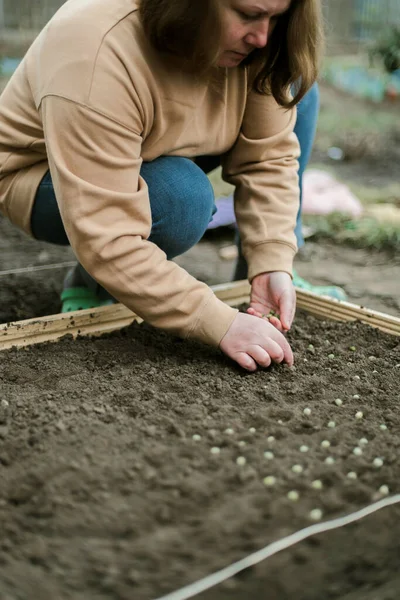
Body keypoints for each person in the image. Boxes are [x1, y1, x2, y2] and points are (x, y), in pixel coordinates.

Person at [0, 0, 324, 372]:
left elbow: (268, 159)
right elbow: (109, 234)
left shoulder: (258, 46)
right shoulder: (96, 44)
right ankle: (95, 281)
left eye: (277, 17)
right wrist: (216, 322)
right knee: (180, 198)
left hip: (156, 141)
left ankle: (255, 292)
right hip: (41, 176)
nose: (262, 36)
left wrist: (271, 261)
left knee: (293, 83)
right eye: (249, 14)